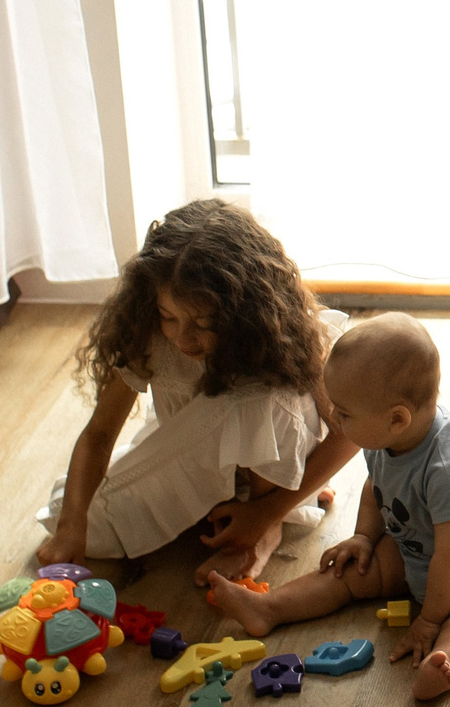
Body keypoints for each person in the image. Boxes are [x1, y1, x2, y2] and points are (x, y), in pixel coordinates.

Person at [211, 314, 450, 701]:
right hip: (417, 543)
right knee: (349, 570)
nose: (334, 419)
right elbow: (375, 486)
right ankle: (268, 608)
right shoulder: (384, 439)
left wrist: (429, 620)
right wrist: (364, 536)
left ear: (397, 418)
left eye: (344, 413)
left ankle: (447, 659)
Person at [37, 199, 349, 584]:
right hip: (200, 443)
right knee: (76, 520)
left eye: (204, 322)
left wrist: (265, 513)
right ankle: (237, 503)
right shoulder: (144, 331)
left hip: (276, 456)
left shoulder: (284, 334)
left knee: (255, 397)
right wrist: (72, 525)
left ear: (245, 311)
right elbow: (99, 435)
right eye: (169, 317)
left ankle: (267, 526)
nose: (183, 338)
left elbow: (348, 435)